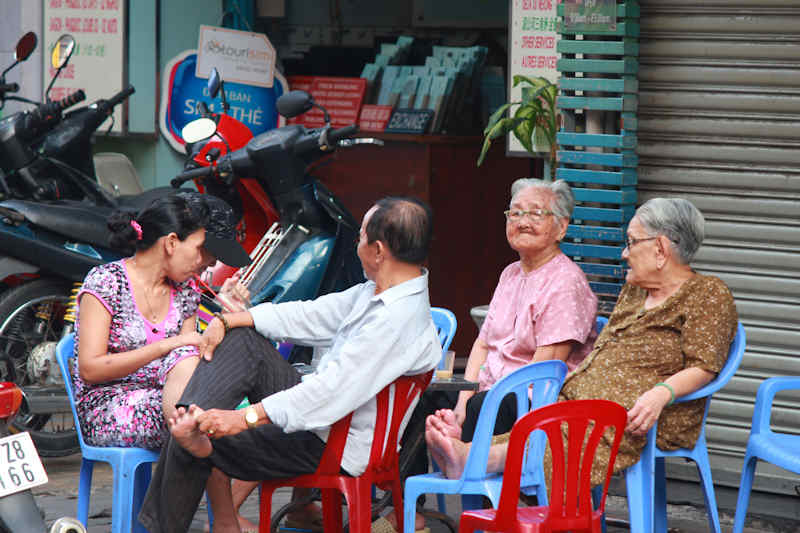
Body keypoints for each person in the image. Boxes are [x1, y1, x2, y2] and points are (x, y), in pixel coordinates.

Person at [137, 196, 441, 533]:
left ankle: (190, 436)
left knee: (191, 432)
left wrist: (242, 418)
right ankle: (193, 420)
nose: (357, 246)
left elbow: (328, 395)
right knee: (241, 342)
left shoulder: (396, 320)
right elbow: (309, 315)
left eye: (360, 239)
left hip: (333, 442)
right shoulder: (377, 293)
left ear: (379, 251)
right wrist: (233, 319)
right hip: (323, 421)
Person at [426, 197, 739, 489]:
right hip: (587, 400)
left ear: (660, 248)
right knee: (540, 422)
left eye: (631, 243)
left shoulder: (708, 294)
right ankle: (468, 451)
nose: (624, 254)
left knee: (566, 430)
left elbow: (705, 366)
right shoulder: (635, 291)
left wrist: (661, 393)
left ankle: (475, 458)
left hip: (647, 413)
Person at [73, 192, 250, 450]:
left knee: (225, 416)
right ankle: (194, 439)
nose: (206, 262)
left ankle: (198, 453)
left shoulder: (186, 289)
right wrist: (166, 345)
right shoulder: (106, 282)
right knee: (207, 421)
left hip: (168, 396)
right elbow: (90, 369)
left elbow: (188, 359)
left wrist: (232, 317)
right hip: (107, 406)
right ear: (171, 243)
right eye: (200, 249)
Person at [448, 178, 597, 442]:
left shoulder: (565, 281)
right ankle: (406, 482)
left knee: (482, 407)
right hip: (492, 388)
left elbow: (546, 364)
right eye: (515, 213)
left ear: (561, 228)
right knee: (429, 400)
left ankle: (468, 481)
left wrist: (481, 398)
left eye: (536, 214)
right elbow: (483, 344)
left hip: (534, 397)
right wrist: (462, 398)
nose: (523, 222)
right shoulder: (511, 273)